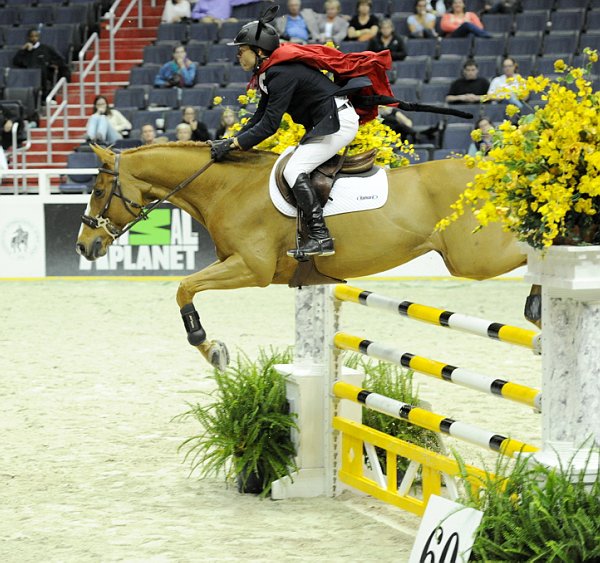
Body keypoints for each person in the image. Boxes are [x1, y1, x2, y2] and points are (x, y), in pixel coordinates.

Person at [209, 7, 394, 258]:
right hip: (328, 121)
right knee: (292, 163)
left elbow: (270, 125)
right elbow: (258, 116)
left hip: (338, 121)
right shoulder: (269, 73)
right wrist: (232, 139)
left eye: (241, 51)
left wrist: (234, 145)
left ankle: (320, 236)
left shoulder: (279, 73)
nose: (238, 56)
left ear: (259, 51)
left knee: (294, 169)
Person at [12, 28, 71, 102]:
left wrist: (51, 64)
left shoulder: (46, 48)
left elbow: (60, 59)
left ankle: (45, 98)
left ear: (39, 37)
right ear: (28, 38)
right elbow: (16, 62)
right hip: (28, 76)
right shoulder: (25, 50)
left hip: (44, 75)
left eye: (36, 36)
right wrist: (23, 50)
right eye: (31, 36)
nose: (34, 38)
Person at [191, 0, 263, 23]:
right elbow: (194, 14)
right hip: (209, 21)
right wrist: (204, 16)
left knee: (234, 21)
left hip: (225, 21)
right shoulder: (201, 2)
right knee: (205, 19)